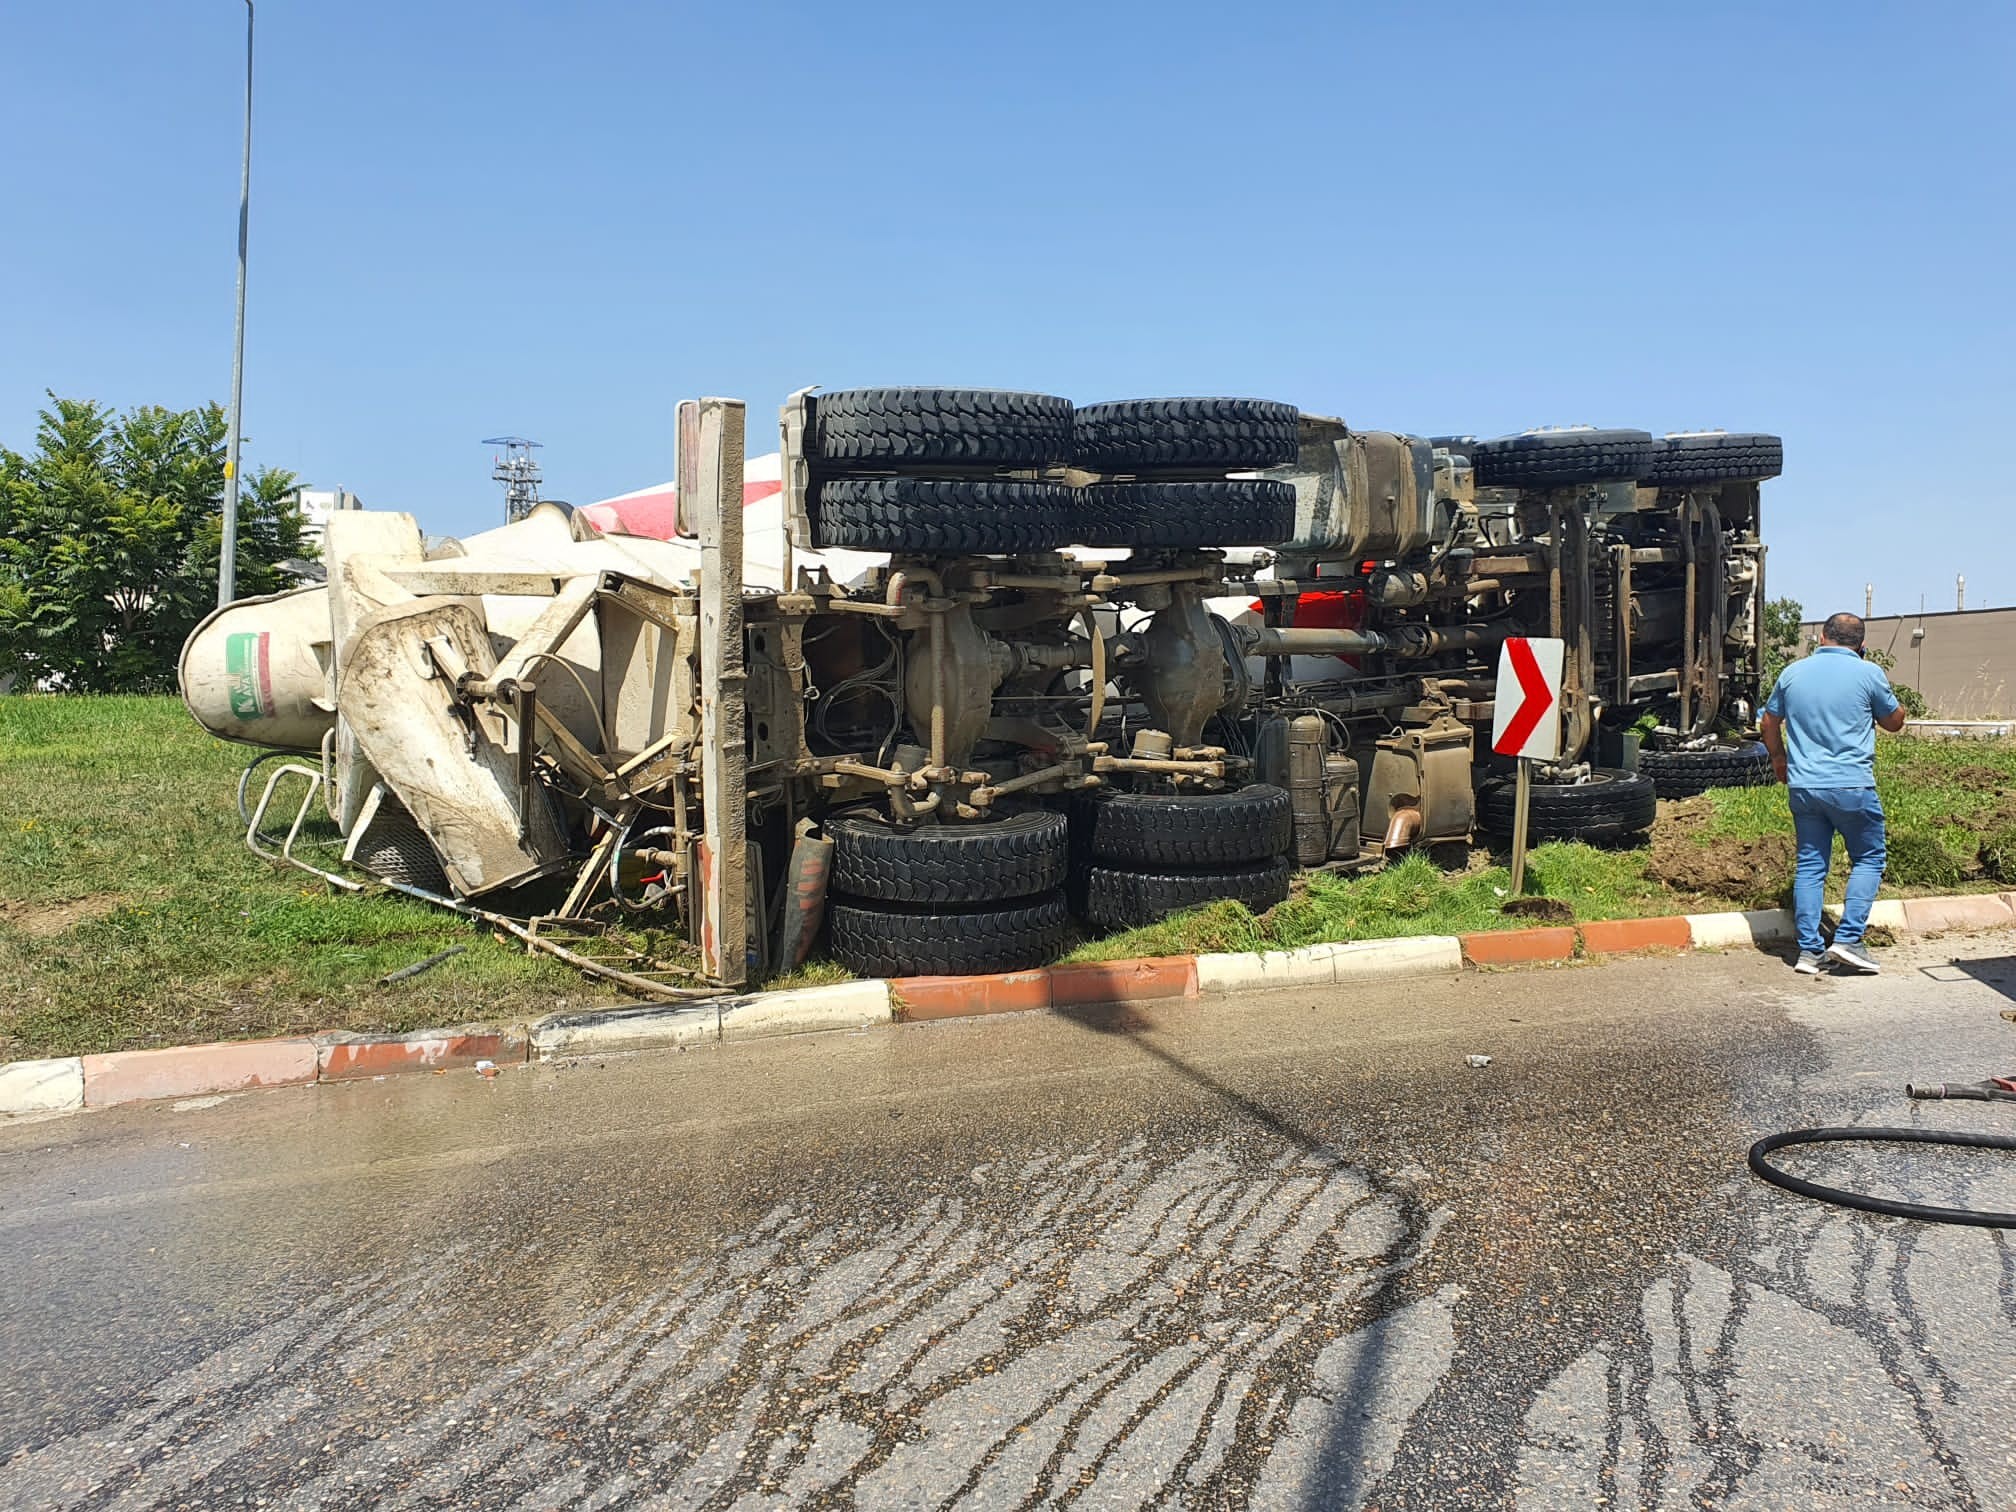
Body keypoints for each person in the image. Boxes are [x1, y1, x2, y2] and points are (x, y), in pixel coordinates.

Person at [1758, 611, 1906, 975]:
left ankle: (1810, 952)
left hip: (1804, 786)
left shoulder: (1793, 673)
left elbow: (1768, 721)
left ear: (1822, 638)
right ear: (1862, 645)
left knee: (1810, 865)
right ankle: (1849, 939)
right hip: (1851, 785)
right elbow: (1894, 722)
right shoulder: (1868, 672)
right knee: (1869, 858)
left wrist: (1779, 758)